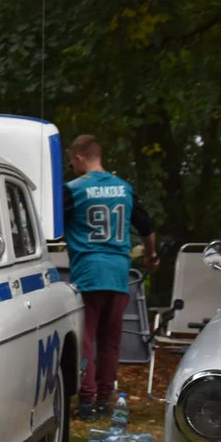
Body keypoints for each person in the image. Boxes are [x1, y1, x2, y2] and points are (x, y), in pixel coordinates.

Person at [62, 134, 157, 421]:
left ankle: (87, 400)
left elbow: (52, 227)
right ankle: (105, 399)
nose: (72, 166)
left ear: (79, 157)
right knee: (110, 340)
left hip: (89, 272)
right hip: (118, 274)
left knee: (87, 338)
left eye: (71, 161)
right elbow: (147, 228)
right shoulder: (125, 189)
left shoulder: (74, 190)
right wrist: (151, 257)